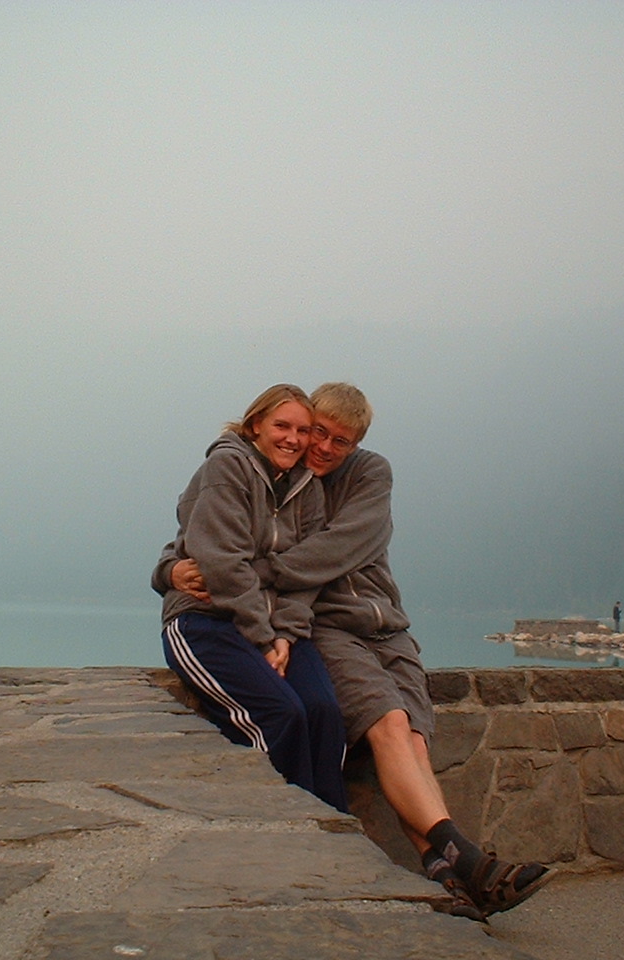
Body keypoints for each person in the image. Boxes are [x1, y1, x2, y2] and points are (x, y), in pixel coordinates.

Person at [158, 383, 551, 921]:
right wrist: (171, 569)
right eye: (312, 431)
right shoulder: (257, 472)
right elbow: (203, 530)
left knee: (411, 739)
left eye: (336, 440)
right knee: (383, 723)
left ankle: (445, 873)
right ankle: (464, 860)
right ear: (259, 426)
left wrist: (258, 594)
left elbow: (324, 555)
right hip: (322, 628)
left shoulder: (357, 477)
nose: (318, 445)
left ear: (356, 443)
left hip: (379, 625)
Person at [155, 383, 348, 812]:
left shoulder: (308, 488)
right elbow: (223, 563)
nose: (293, 439)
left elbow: (307, 571)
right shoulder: (227, 467)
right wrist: (263, 639)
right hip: (206, 620)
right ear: (256, 424)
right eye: (282, 426)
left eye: (302, 430)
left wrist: (284, 634)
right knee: (279, 715)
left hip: (275, 626)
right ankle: (284, 825)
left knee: (323, 713)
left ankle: (333, 827)